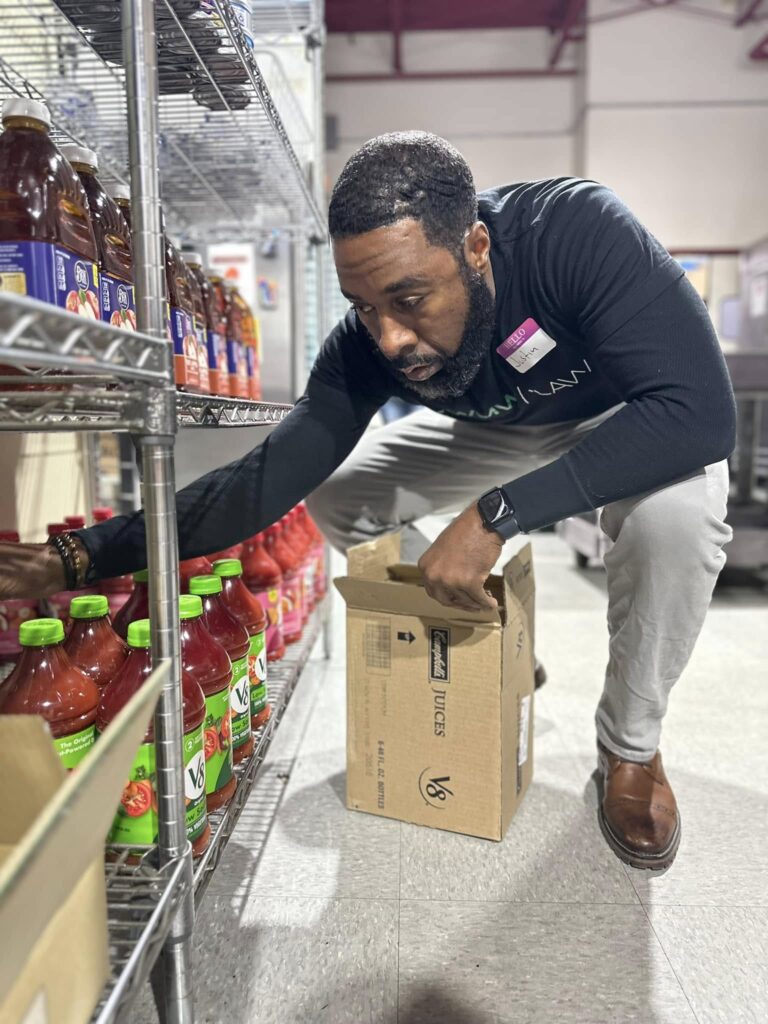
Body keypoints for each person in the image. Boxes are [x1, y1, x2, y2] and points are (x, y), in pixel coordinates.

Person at [0, 132, 735, 870]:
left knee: (676, 520)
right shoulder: (367, 341)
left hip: (626, 416)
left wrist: (495, 517)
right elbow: (262, 481)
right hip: (504, 432)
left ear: (477, 246)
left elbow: (697, 411)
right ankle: (490, 637)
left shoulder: (576, 233)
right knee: (343, 497)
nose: (389, 337)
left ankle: (631, 750)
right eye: (364, 306)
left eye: (411, 300)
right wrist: (79, 555)